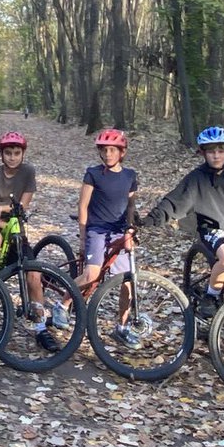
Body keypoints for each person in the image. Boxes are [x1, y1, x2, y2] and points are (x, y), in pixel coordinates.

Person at [138, 126, 224, 326]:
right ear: (203, 153)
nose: (216, 156)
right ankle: (211, 295)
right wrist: (150, 219)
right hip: (213, 229)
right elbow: (174, 202)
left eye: (220, 151)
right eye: (211, 151)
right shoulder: (196, 179)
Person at [0, 131, 58, 352]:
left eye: (16, 153)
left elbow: (23, 206)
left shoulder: (28, 172)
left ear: (23, 154)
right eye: (8, 153)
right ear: (1, 155)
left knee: (34, 274)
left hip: (15, 228)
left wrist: (1, 207)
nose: (12, 157)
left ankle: (41, 327)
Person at [77, 128, 140, 347]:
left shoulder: (130, 176)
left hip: (119, 231)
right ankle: (63, 304)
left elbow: (131, 205)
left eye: (113, 150)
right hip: (97, 229)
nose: (108, 155)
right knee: (91, 275)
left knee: (127, 282)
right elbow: (83, 206)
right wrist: (83, 238)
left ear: (122, 152)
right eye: (104, 150)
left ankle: (122, 328)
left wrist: (130, 230)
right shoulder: (93, 174)